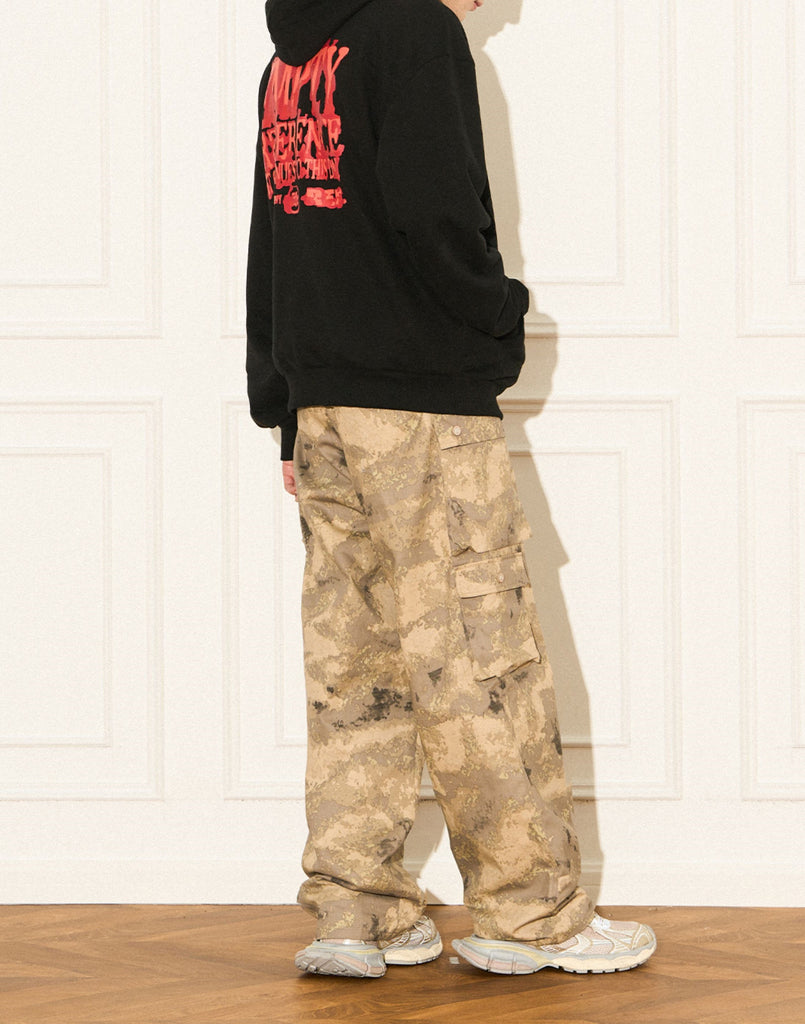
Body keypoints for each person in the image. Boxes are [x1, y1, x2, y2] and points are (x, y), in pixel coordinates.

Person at [247, 0, 657, 979]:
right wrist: (496, 321)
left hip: (327, 407)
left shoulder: (294, 57)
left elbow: (273, 241)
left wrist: (283, 406)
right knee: (479, 657)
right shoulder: (415, 31)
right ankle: (532, 914)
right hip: (420, 407)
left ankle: (358, 911)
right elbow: (435, 213)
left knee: (356, 670)